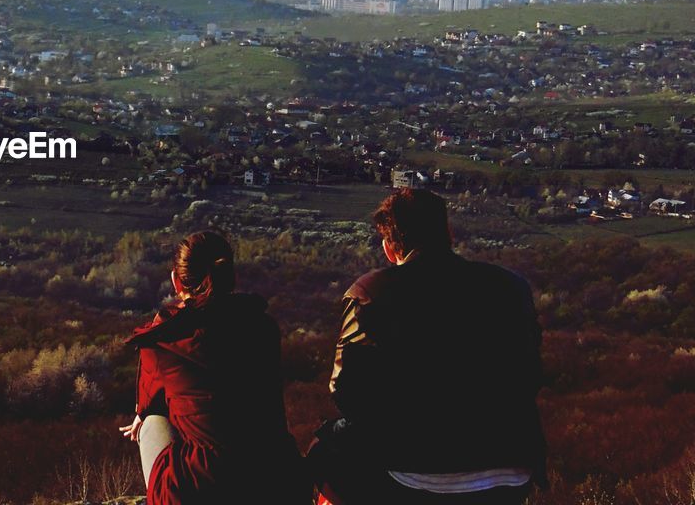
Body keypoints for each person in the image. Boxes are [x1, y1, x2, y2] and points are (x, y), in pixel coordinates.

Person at [307, 188, 546, 505]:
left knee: (323, 453)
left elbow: (348, 392)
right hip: (512, 465)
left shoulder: (372, 292)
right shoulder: (510, 287)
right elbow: (530, 374)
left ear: (389, 248)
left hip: (412, 470)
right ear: (448, 233)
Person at [121, 231, 309, 505]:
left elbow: (151, 405)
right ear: (231, 276)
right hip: (275, 478)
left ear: (176, 281)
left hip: (201, 486)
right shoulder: (263, 327)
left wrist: (142, 413)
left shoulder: (164, 338)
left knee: (150, 424)